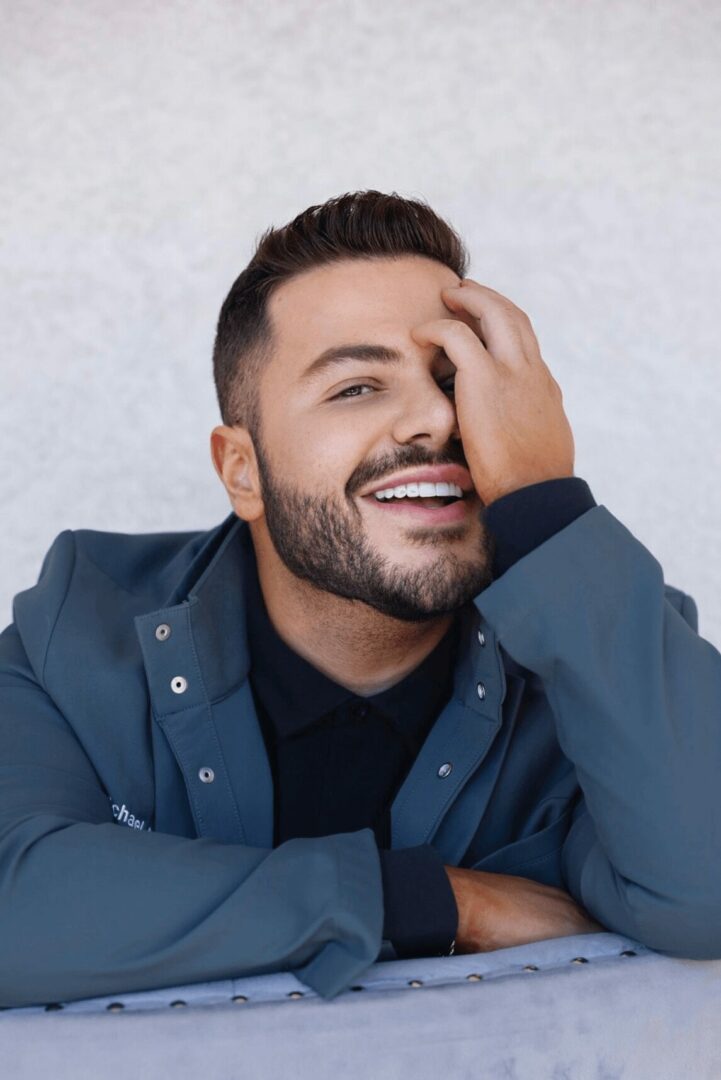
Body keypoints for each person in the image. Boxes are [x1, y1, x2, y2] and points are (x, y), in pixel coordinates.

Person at [1, 190, 719, 1009]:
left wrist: (544, 503)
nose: (437, 418)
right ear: (241, 469)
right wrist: (432, 901)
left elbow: (707, 892)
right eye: (356, 387)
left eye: (456, 380)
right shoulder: (75, 638)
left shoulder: (601, 643)